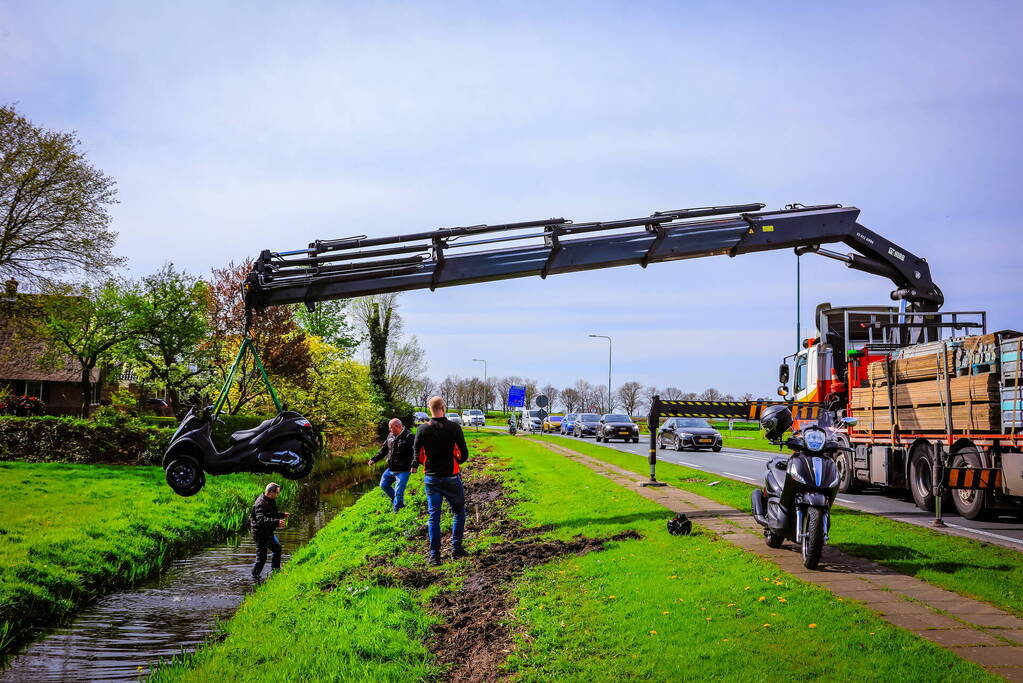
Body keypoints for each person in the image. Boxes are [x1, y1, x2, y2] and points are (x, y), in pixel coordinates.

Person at [413, 395, 469, 566]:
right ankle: (456, 549)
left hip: (431, 478)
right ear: (444, 408)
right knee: (458, 513)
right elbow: (464, 454)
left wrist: (427, 464)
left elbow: (417, 455)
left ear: (429, 409)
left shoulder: (422, 429)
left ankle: (434, 556)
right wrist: (456, 461)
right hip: (451, 477)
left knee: (434, 516)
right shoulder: (454, 428)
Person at [368, 417, 416, 511]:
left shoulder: (409, 436)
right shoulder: (390, 435)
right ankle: (396, 501)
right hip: (391, 468)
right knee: (384, 485)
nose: (389, 429)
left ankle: (397, 509)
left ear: (398, 426)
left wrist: (414, 465)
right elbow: (383, 450)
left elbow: (416, 453)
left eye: (391, 427)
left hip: (403, 470)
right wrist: (374, 459)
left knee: (399, 491)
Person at [251, 482, 289, 579]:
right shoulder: (260, 503)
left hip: (268, 532)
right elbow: (261, 520)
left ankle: (275, 572)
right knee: (261, 559)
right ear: (271, 492)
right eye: (277, 493)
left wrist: (282, 515)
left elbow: (273, 514)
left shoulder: (271, 500)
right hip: (260, 534)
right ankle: (254, 578)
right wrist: (277, 522)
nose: (277, 495)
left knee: (277, 549)